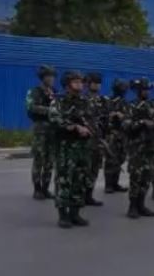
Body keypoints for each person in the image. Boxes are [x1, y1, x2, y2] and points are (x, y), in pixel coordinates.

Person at [52, 71, 93, 228]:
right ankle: (63, 215)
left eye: (80, 81)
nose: (80, 84)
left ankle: (75, 213)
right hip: (66, 147)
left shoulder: (85, 101)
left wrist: (91, 129)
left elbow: (91, 119)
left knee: (80, 180)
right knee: (64, 180)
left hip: (83, 147)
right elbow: (55, 119)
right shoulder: (59, 101)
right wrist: (74, 127)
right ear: (67, 84)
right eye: (75, 81)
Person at [126, 78, 154, 219]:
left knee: (147, 176)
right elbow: (126, 125)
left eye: (147, 90)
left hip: (150, 146)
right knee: (136, 177)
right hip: (136, 148)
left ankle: (141, 204)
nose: (146, 92)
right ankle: (132, 206)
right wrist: (142, 122)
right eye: (144, 90)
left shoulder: (152, 105)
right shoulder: (131, 106)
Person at [27, 65, 58, 200]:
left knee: (50, 161)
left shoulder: (55, 91)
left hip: (53, 129)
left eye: (52, 76)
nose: (51, 79)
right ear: (42, 78)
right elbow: (31, 107)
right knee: (39, 159)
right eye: (48, 76)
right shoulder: (35, 91)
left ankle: (46, 188)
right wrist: (49, 110)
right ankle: (37, 189)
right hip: (40, 129)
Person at [82, 72, 106, 207]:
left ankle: (89, 195)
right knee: (85, 168)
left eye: (99, 82)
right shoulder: (83, 98)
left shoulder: (102, 100)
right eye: (94, 82)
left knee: (95, 168)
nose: (97, 85)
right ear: (88, 83)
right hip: (87, 139)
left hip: (99, 139)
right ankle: (80, 195)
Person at [104, 79, 130, 194]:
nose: (123, 91)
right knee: (111, 158)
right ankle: (109, 184)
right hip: (112, 133)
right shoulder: (109, 101)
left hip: (123, 133)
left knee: (120, 158)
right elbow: (104, 116)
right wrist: (112, 115)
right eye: (121, 88)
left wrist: (123, 116)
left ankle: (115, 183)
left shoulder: (125, 102)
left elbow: (129, 116)